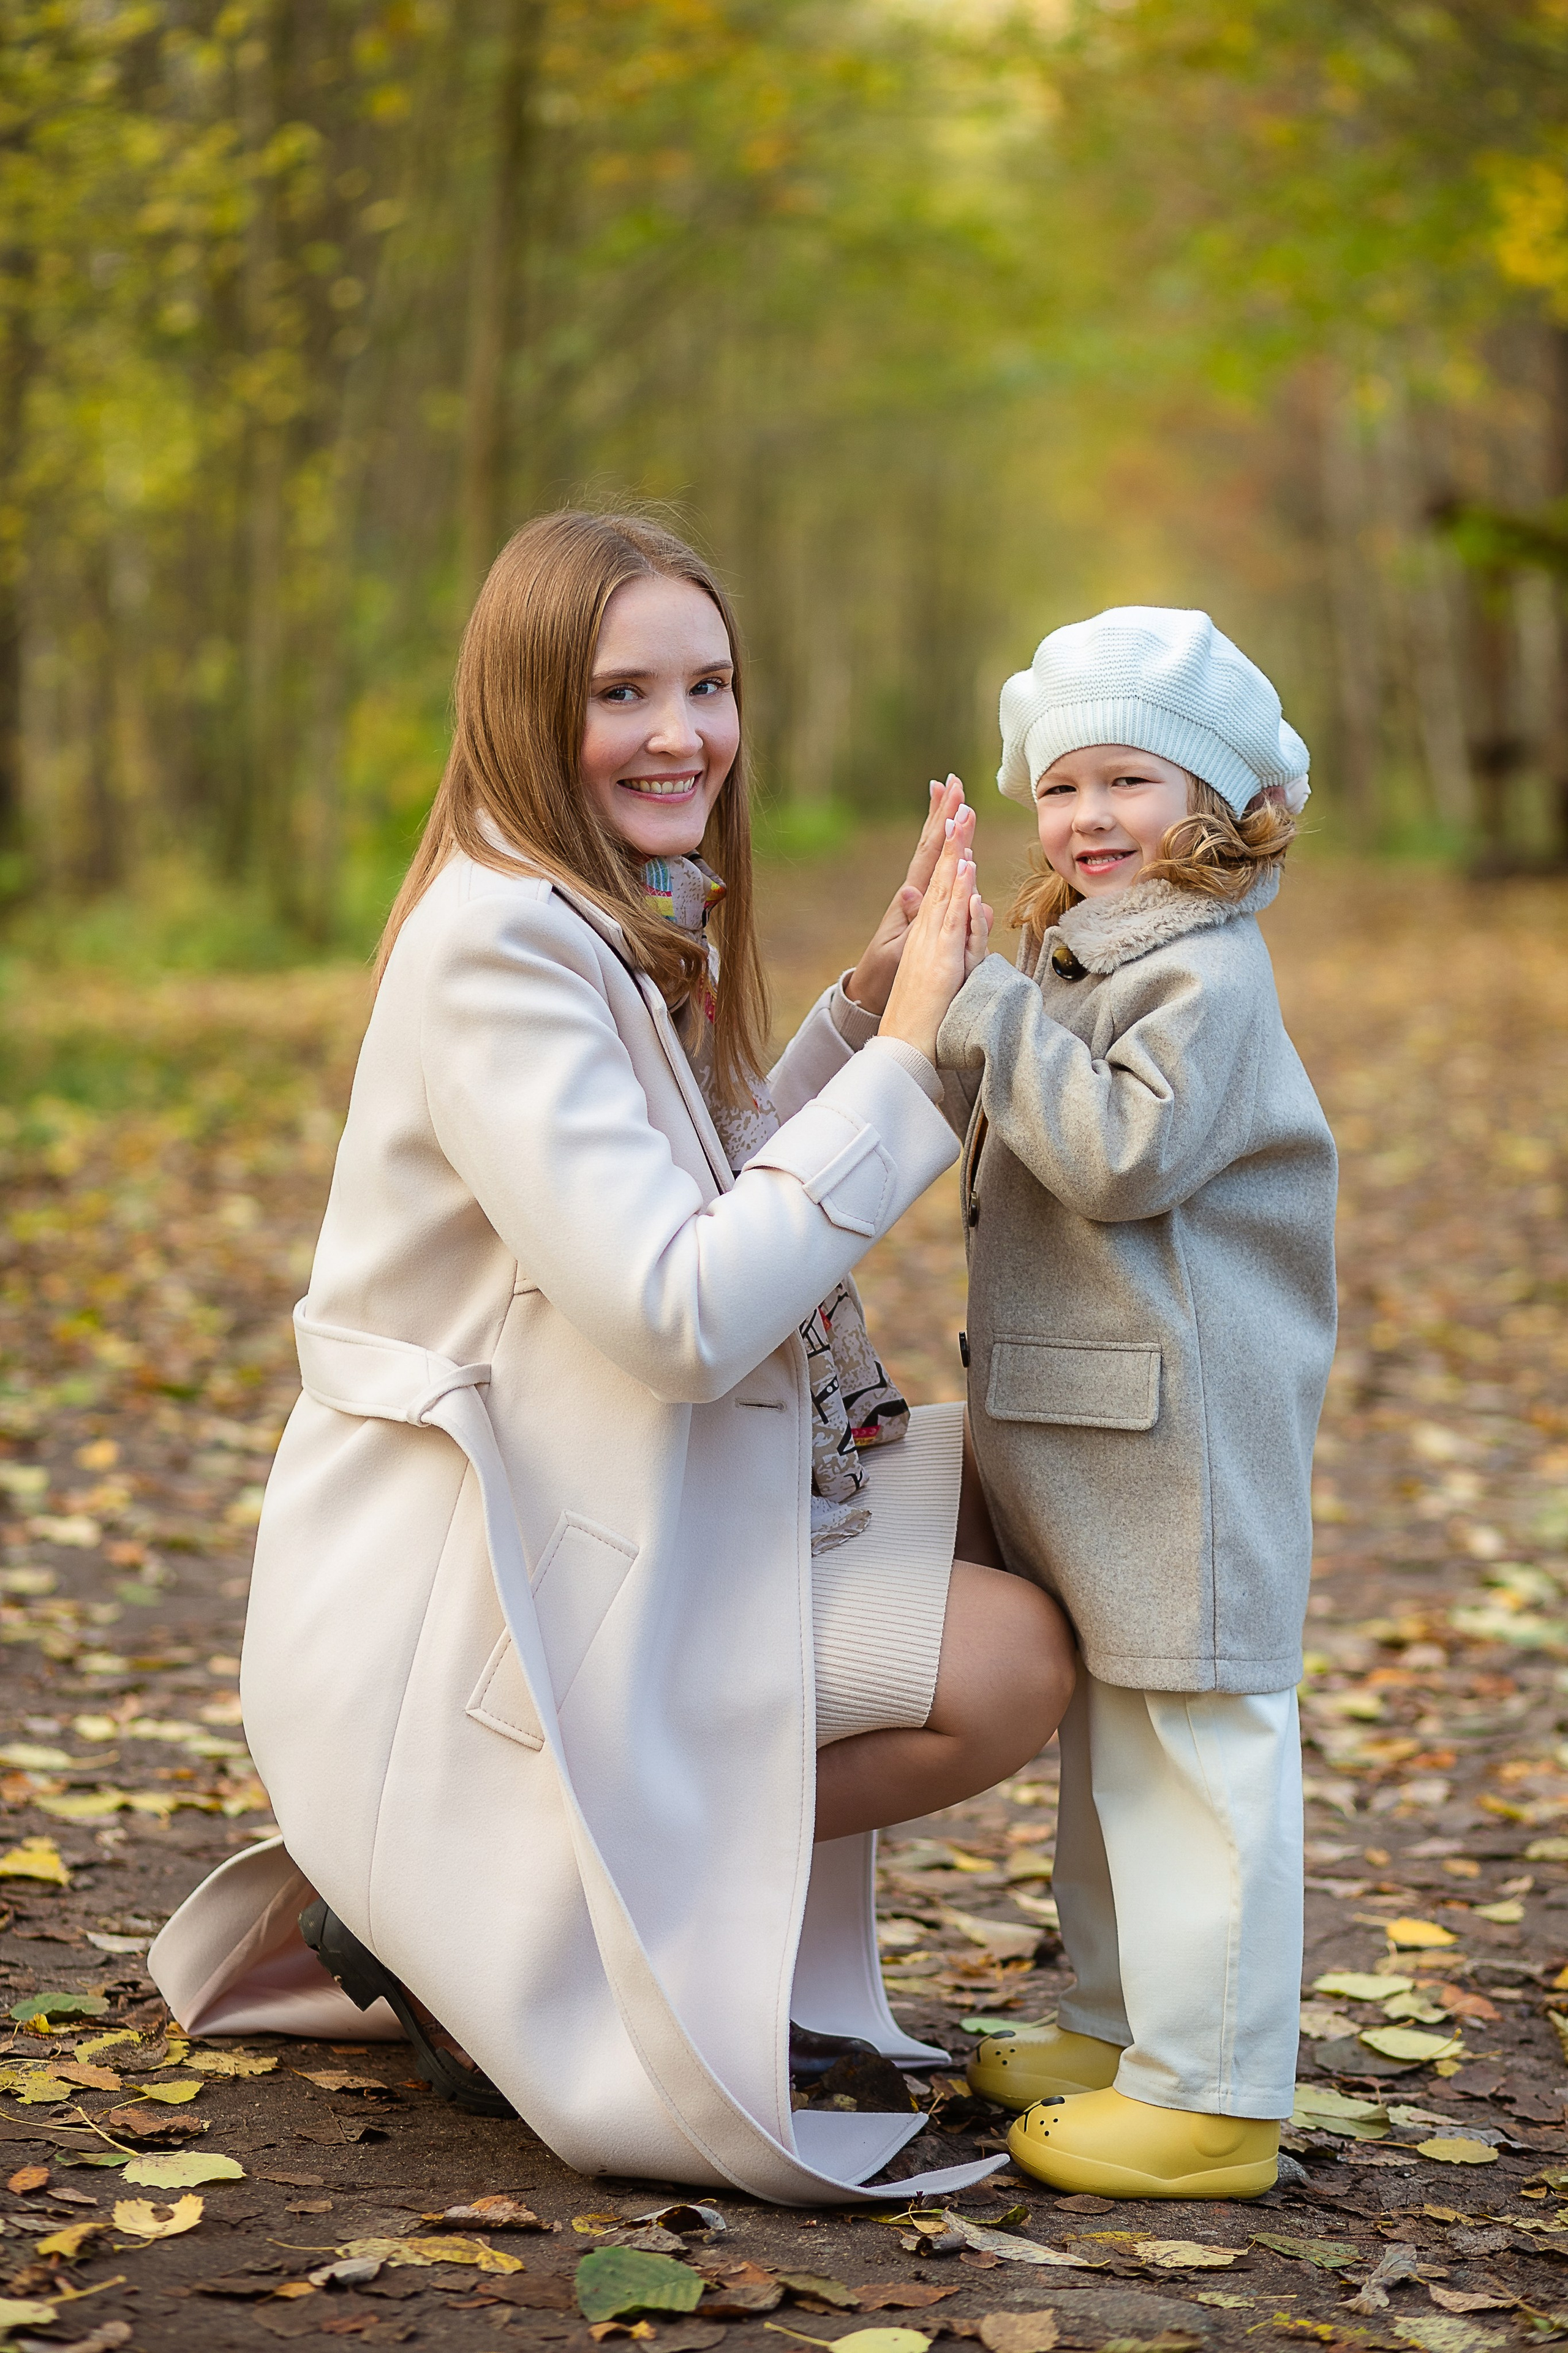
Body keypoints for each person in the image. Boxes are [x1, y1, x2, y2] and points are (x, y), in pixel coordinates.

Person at [147, 510, 1074, 2205]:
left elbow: (703, 1186)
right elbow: (683, 1305)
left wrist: (865, 1016)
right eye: (623, 691)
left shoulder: (596, 910)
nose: (682, 734)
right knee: (1007, 1659)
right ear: (521, 708)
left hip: (597, 1513)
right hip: (482, 1589)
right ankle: (517, 1893)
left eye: (708, 684)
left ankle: (537, 1894)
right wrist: (920, 1061)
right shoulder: (500, 946)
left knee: (1003, 1505)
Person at [942, 607, 1337, 2200]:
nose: (1091, 817)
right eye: (1064, 786)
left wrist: (980, 1008)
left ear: (1221, 806)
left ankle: (1215, 2090)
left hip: (1184, 1437)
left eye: (1133, 782)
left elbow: (1120, 1151)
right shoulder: (1100, 951)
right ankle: (1121, 2026)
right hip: (1100, 1426)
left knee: (1198, 1739)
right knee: (1120, 1739)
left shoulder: (1206, 976)